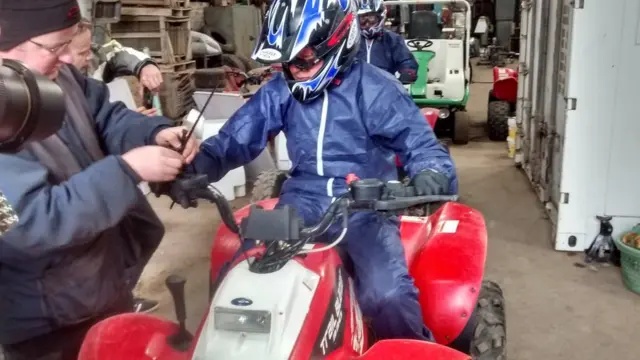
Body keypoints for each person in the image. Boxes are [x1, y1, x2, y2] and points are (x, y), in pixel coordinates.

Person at [191, 0, 457, 342]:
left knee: (386, 295)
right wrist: (197, 167)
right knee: (243, 273)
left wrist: (430, 172)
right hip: (302, 199)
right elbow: (238, 136)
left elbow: (421, 146)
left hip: (366, 204)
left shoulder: (376, 89)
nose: (293, 71)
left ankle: (411, 348)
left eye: (304, 60)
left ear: (339, 42)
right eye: (287, 61)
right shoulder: (281, 90)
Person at [0, 1, 199, 359]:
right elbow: (27, 226)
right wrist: (128, 170)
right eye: (55, 47)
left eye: (69, 43)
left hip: (101, 282)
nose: (68, 59)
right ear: (6, 41)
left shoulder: (59, 77)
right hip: (47, 322)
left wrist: (154, 133)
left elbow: (106, 118)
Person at [69, 17, 164, 313]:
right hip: (84, 187)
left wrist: (151, 130)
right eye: (82, 52)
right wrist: (127, 168)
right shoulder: (22, 99)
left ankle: (120, 294)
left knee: (146, 229)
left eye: (88, 51)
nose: (89, 58)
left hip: (104, 173)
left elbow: (112, 52)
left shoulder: (79, 81)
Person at [70, 18, 163, 117]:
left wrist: (145, 66)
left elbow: (115, 54)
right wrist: (124, 123)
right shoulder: (56, 96)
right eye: (82, 52)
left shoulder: (95, 59)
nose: (90, 56)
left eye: (89, 48)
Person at [356, 0, 419, 83]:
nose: (367, 24)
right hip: (354, 89)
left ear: (380, 17)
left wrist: (408, 72)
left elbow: (406, 61)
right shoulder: (351, 40)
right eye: (363, 19)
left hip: (384, 89)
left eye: (371, 18)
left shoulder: (392, 39)